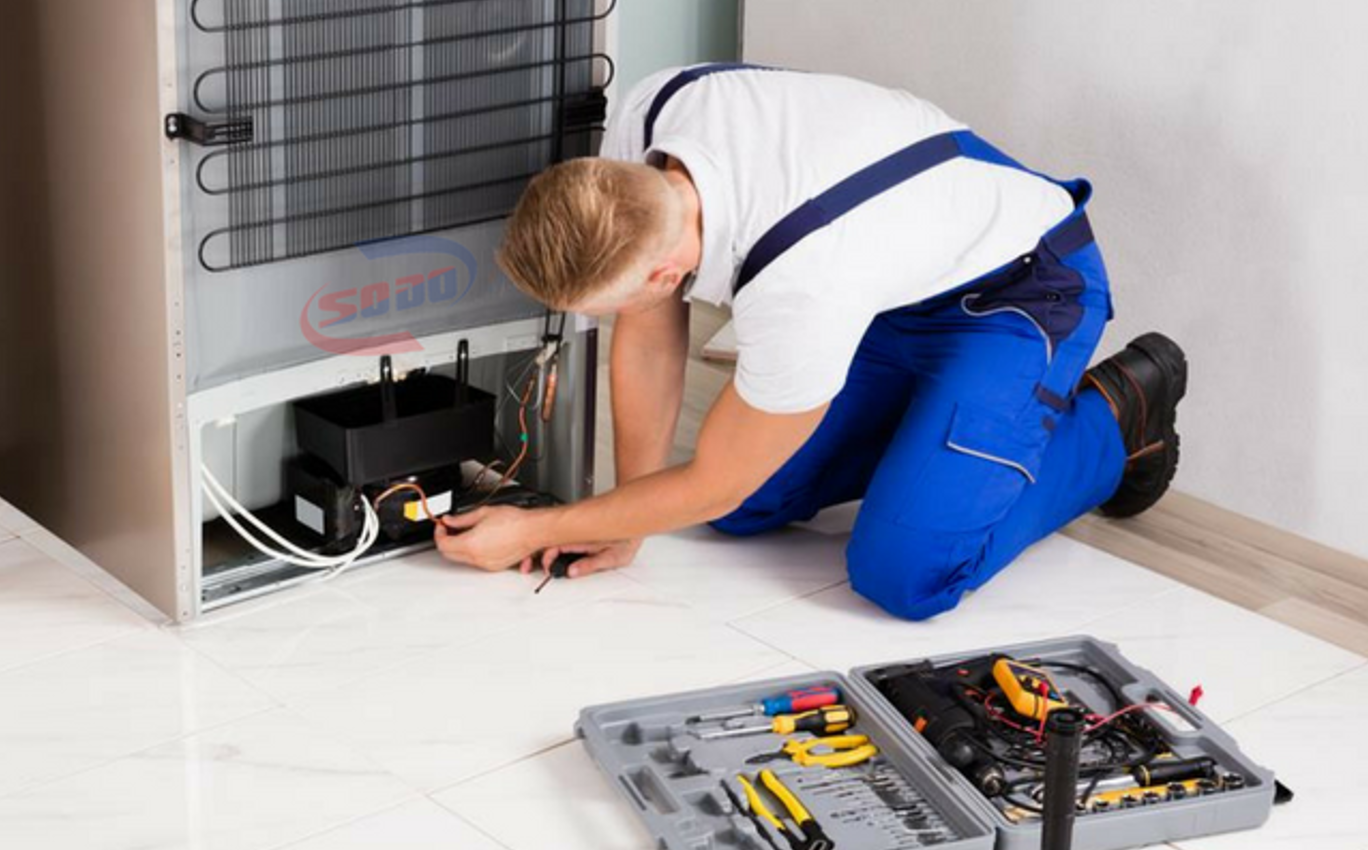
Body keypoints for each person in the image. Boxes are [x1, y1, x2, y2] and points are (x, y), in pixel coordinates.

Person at [435, 64, 1187, 620]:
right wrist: (625, 519)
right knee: (739, 503)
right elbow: (650, 328)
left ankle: (1117, 421)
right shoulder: (654, 117)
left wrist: (539, 529)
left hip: (1021, 291)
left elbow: (715, 480)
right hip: (891, 289)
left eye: (609, 306)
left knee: (906, 575)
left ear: (663, 274)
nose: (616, 317)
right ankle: (934, 435)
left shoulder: (801, 284)